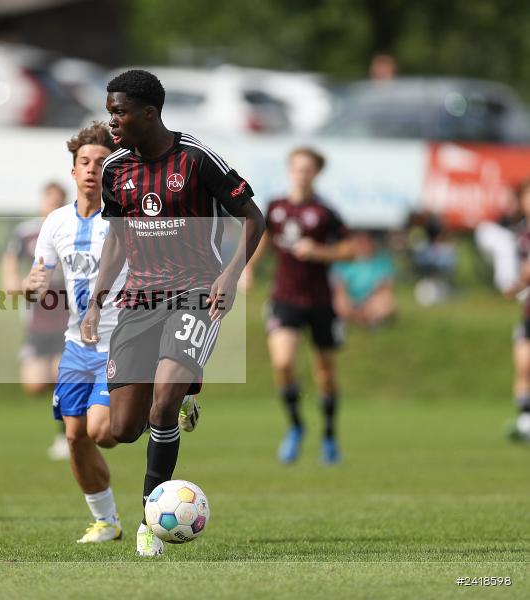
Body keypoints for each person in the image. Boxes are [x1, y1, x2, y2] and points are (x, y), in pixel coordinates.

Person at [80, 70, 265, 557]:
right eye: (109, 110)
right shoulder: (115, 170)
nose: (112, 120)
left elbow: (254, 218)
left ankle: (148, 520)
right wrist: (98, 299)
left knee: (160, 404)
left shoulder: (196, 158)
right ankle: (180, 395)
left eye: (119, 111)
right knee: (120, 430)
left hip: (195, 294)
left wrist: (229, 277)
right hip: (139, 300)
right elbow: (118, 240)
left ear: (149, 113)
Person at [23, 122, 126, 543]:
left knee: (102, 431)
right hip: (75, 345)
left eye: (100, 163)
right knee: (75, 436)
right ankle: (107, 521)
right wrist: (34, 286)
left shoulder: (125, 219)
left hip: (120, 339)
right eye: (84, 162)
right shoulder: (55, 223)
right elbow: (40, 279)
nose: (90, 169)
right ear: (72, 171)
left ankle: (162, 398)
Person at [241, 147, 354, 466]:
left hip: (320, 301)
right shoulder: (276, 207)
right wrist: (247, 266)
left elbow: (350, 250)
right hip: (284, 298)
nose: (301, 174)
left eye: (308, 169)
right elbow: (261, 238)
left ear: (316, 173)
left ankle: (330, 435)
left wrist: (320, 251)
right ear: (290, 170)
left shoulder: (325, 211)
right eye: (297, 168)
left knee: (325, 373)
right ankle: (295, 427)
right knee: (283, 362)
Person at [0, 182, 71, 459]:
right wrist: (27, 285)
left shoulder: (73, 229)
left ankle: (65, 435)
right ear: (42, 202)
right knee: (35, 384)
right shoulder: (25, 233)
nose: (53, 205)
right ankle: (77, 411)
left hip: (69, 319)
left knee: (64, 376)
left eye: (59, 200)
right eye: (49, 200)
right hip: (38, 322)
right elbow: (9, 282)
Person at [504, 178, 530, 442]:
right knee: (523, 366)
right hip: (528, 313)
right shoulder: (520, 234)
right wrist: (516, 285)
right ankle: (525, 421)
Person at [331, 230, 396, 327]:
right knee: (340, 300)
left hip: (372, 298)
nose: (363, 244)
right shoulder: (342, 262)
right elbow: (340, 288)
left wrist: (367, 304)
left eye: (366, 241)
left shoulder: (382, 260)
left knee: (386, 300)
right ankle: (361, 319)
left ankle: (366, 318)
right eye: (359, 241)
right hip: (351, 299)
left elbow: (385, 287)